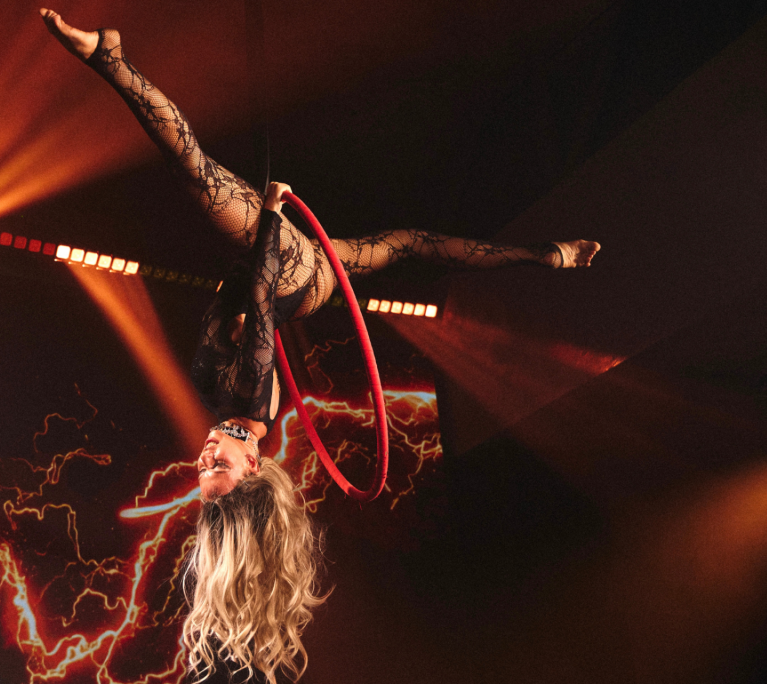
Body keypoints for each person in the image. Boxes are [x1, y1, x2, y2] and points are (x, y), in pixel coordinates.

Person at [39, 10, 600, 682]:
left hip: (289, 269)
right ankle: (109, 57)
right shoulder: (249, 398)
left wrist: (259, 249)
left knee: (409, 243)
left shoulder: (217, 399)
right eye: (220, 468)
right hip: (291, 275)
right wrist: (273, 216)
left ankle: (548, 255)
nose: (204, 456)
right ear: (252, 464)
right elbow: (260, 296)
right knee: (194, 170)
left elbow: (235, 301)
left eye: (200, 469)